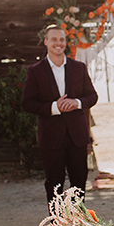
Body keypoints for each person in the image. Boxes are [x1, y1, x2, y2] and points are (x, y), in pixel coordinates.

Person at [22, 25, 98, 205]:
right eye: (54, 39)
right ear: (46, 42)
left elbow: (92, 96)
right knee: (54, 184)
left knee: (79, 184)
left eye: (62, 39)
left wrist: (77, 103)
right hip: (50, 137)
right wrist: (55, 107)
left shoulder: (79, 67)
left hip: (77, 136)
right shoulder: (35, 71)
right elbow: (27, 103)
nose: (59, 43)